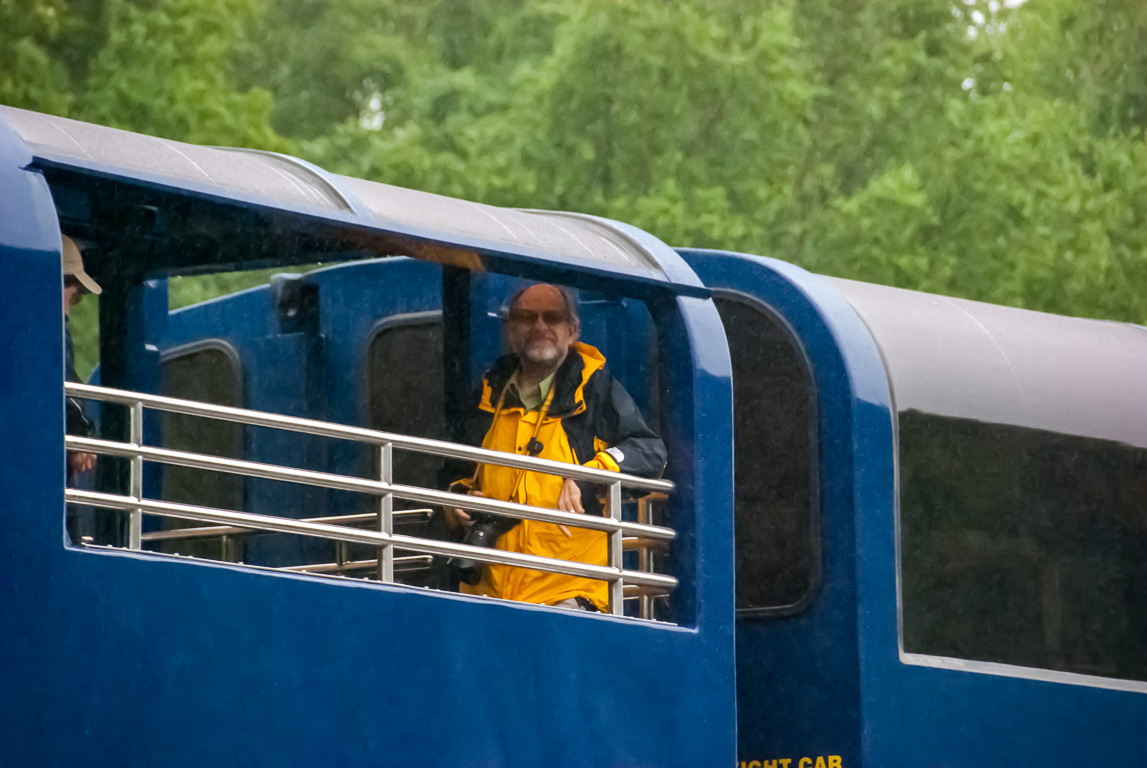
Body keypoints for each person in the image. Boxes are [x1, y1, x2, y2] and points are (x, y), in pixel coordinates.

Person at [448, 283, 666, 611]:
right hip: (485, 598)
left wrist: (586, 475)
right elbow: (452, 472)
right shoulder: (484, 394)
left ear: (572, 330)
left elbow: (649, 451)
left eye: (552, 317)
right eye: (526, 317)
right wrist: (457, 503)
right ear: (509, 330)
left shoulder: (596, 389)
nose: (540, 327)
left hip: (567, 598)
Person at [62, 234, 100, 541]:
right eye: (74, 292)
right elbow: (63, 389)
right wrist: (80, 436)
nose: (72, 302)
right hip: (51, 472)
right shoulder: (49, 328)